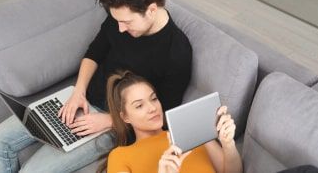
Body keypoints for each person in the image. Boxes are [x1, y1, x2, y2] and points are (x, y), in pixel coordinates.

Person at [0, 0, 192, 172]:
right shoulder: (119, 17)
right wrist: (78, 91)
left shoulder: (177, 52)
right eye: (117, 20)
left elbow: (164, 112)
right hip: (81, 100)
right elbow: (94, 53)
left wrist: (111, 120)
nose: (120, 28)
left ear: (151, 10)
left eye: (126, 22)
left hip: (113, 125)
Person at [102, 70, 242, 173]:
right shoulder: (120, 156)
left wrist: (228, 144)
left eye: (154, 99)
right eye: (139, 105)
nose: (152, 108)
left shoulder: (192, 132)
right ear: (125, 117)